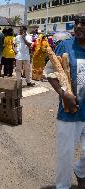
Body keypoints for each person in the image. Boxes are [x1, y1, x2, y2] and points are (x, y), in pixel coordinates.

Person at [44, 15, 85, 189]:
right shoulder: (65, 46)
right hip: (70, 111)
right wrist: (62, 94)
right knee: (65, 154)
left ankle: (80, 170)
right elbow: (49, 72)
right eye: (77, 23)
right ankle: (62, 186)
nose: (78, 26)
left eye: (83, 23)